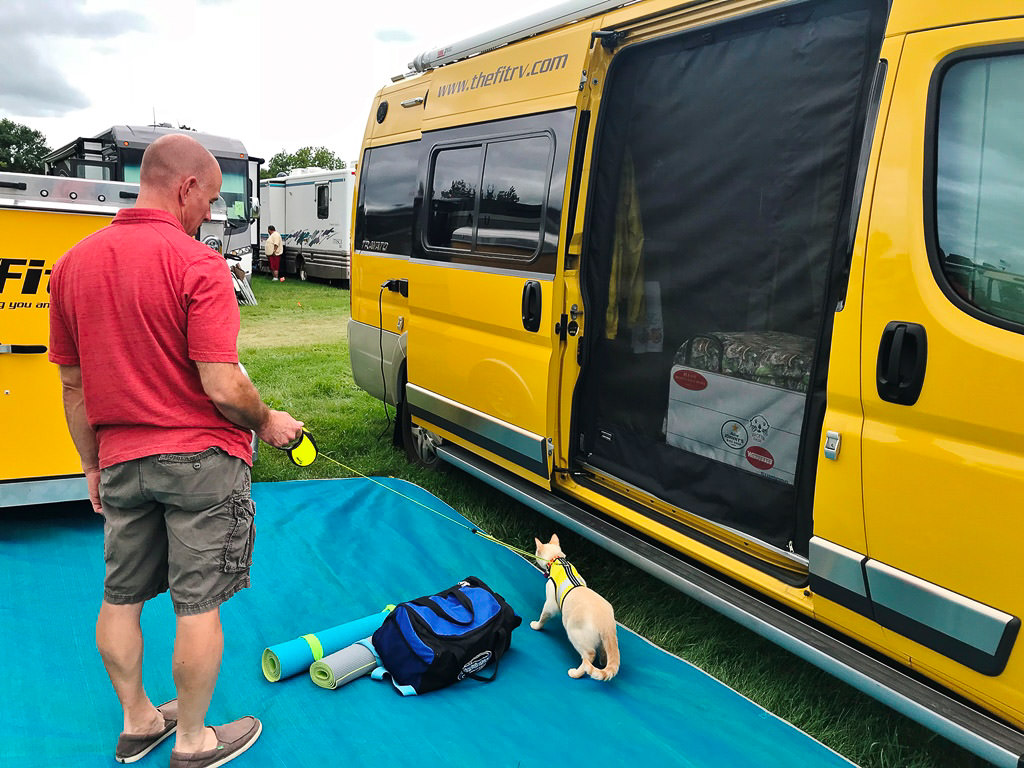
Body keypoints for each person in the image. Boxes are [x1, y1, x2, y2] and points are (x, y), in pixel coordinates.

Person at [48, 133, 304, 768]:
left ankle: (139, 721)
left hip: (120, 459)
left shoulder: (72, 265)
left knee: (120, 598)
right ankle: (192, 740)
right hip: (201, 463)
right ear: (185, 187)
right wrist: (268, 420)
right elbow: (222, 383)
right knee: (198, 605)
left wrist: (90, 463)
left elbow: (73, 385)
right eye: (209, 200)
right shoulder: (198, 264)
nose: (208, 214)